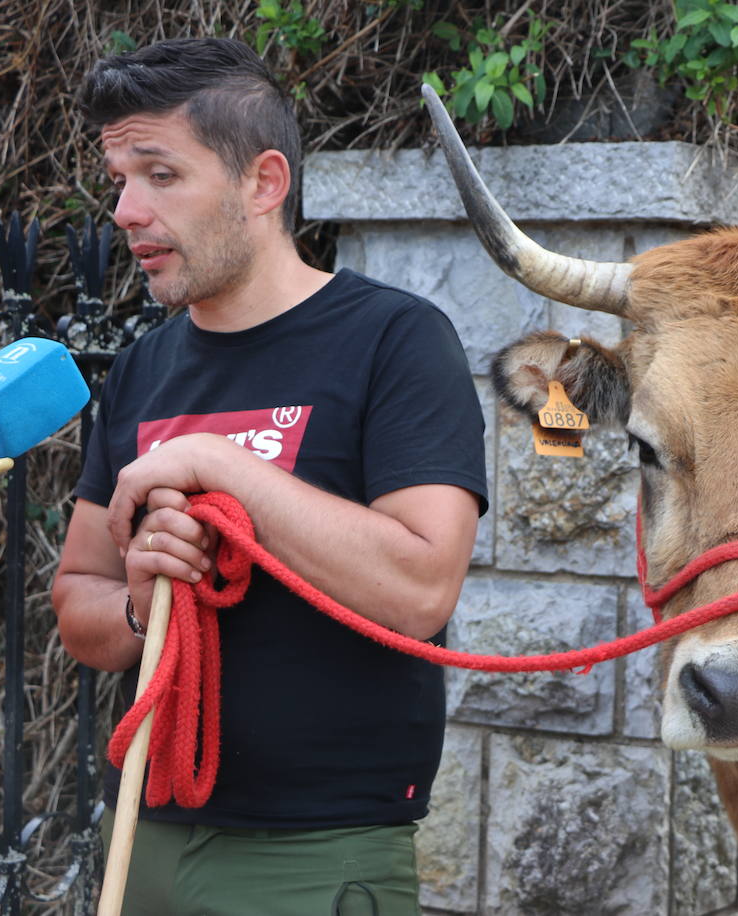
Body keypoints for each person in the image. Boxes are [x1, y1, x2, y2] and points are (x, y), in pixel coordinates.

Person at [51, 37, 487, 915]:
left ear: (264, 183)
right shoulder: (141, 370)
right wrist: (141, 597)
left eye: (160, 175)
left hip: (318, 849)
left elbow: (420, 586)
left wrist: (220, 464)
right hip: (142, 827)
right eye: (119, 181)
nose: (127, 210)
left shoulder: (394, 341)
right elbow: (78, 601)